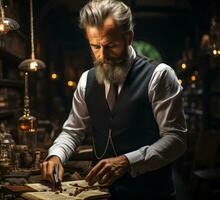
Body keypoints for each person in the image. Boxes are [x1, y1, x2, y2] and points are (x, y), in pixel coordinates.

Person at [41, 0, 187, 199]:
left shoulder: (160, 76)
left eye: (111, 46)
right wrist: (56, 154)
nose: (102, 56)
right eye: (95, 46)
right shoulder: (86, 80)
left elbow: (176, 140)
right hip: (99, 194)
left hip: (151, 193)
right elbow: (73, 131)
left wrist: (128, 161)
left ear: (128, 38)